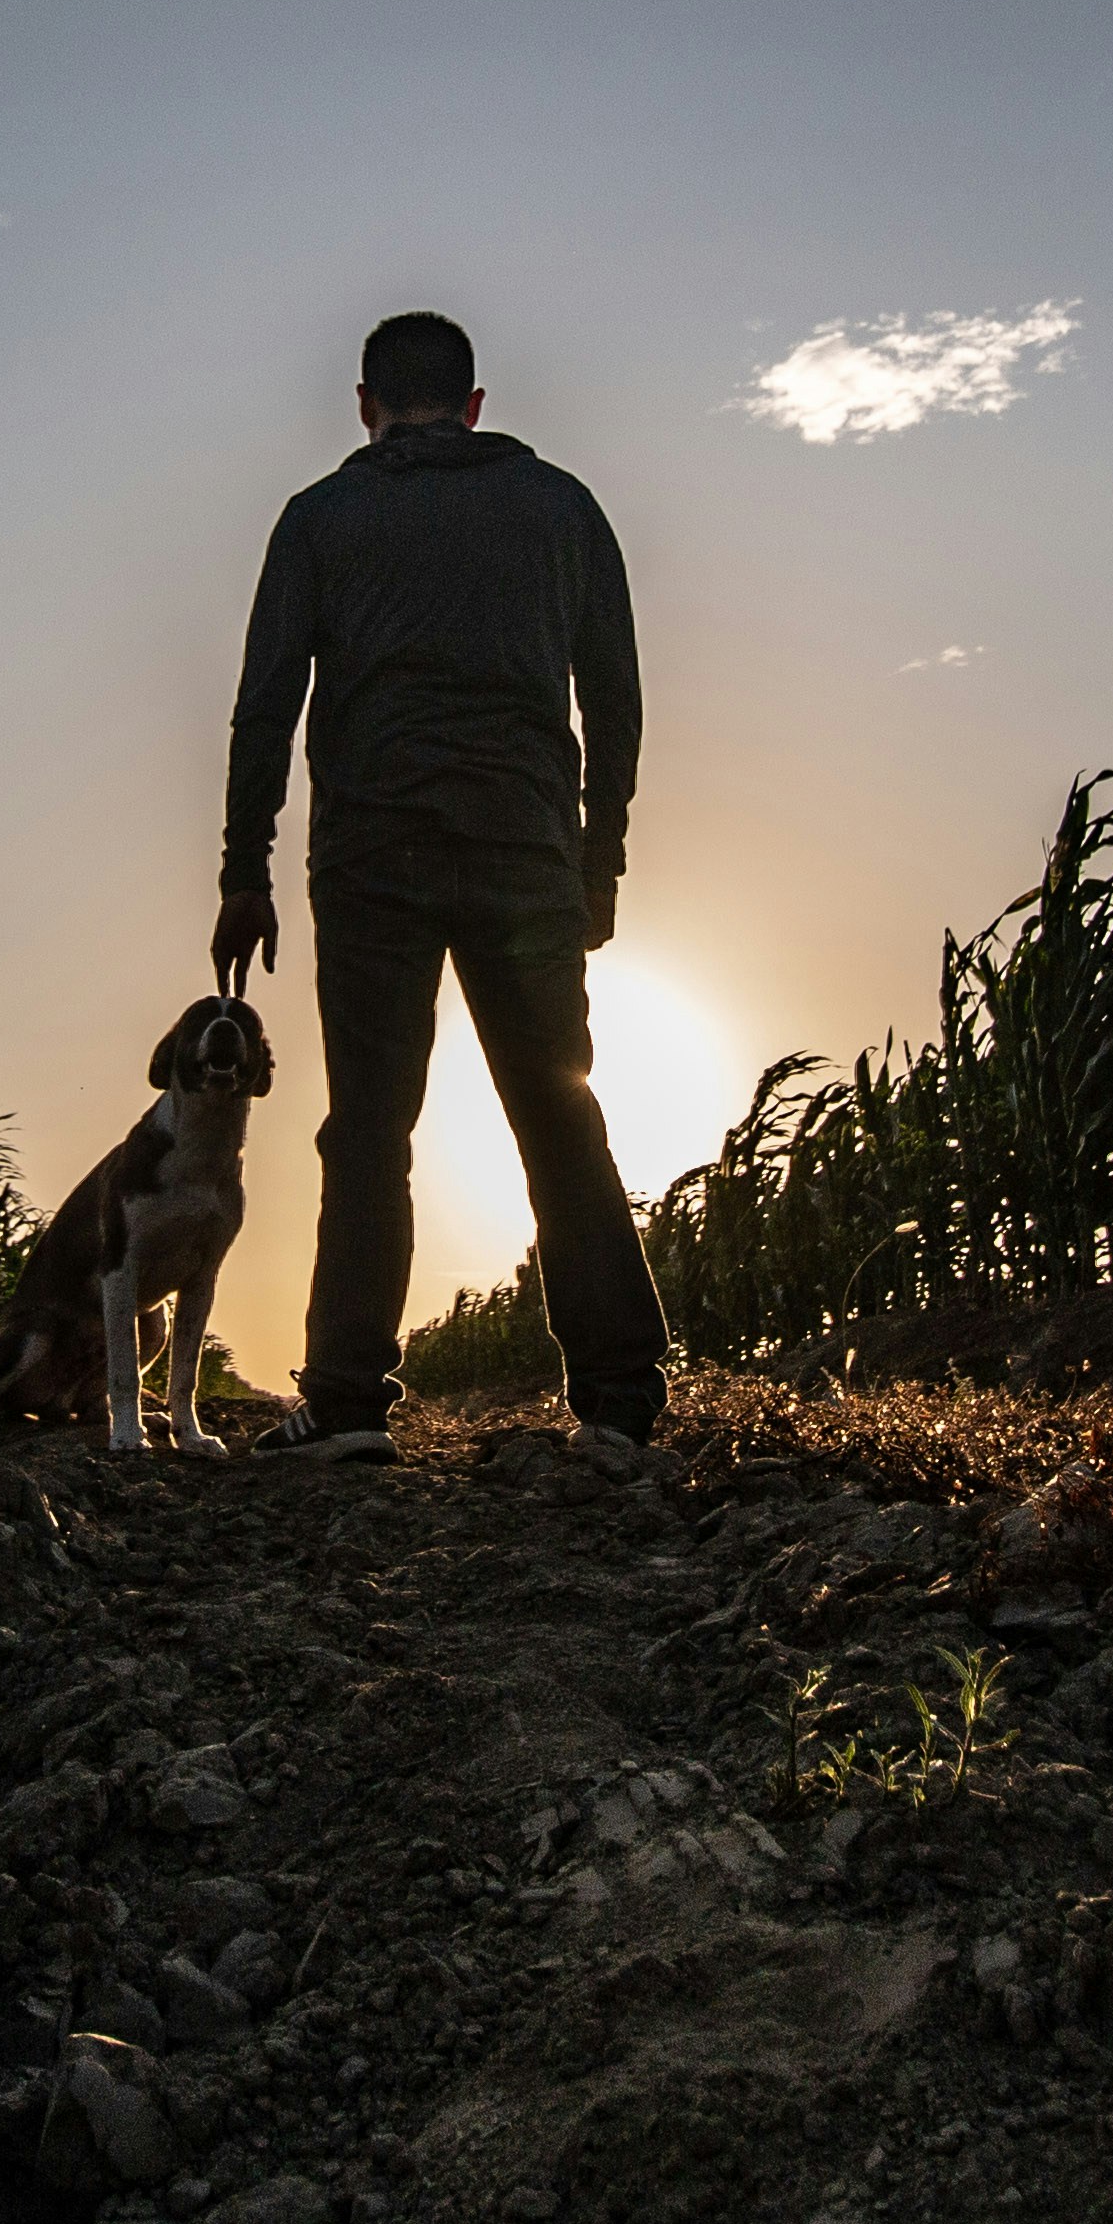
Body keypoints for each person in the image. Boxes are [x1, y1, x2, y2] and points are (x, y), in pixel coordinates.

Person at [215, 310, 671, 1460]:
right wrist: (597, 858)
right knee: (559, 1114)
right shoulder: (562, 507)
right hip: (525, 856)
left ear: (365, 404)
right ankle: (619, 1402)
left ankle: (349, 1404)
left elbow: (266, 704)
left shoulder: (322, 519)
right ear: (474, 405)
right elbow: (615, 700)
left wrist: (244, 873)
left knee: (369, 1127)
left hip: (372, 860)